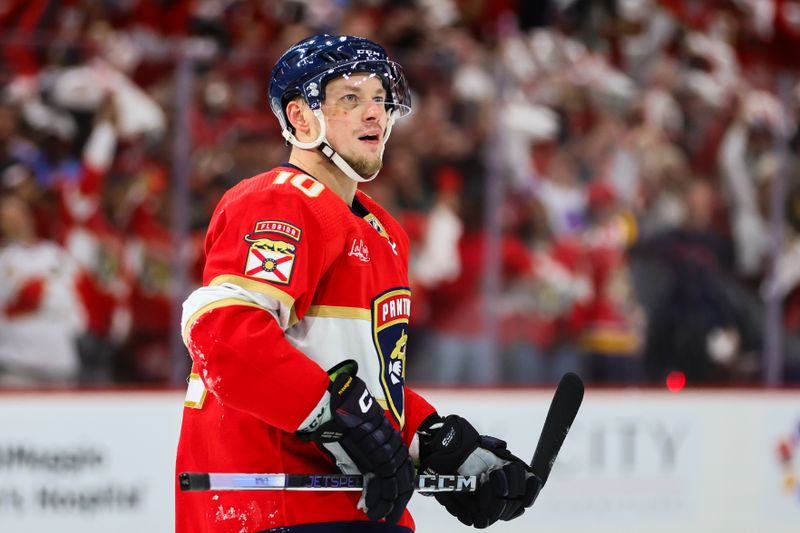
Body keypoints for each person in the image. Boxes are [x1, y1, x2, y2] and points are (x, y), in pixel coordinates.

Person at [175, 34, 541, 533]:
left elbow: (361, 384)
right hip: (274, 513)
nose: (375, 114)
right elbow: (224, 337)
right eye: (350, 98)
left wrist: (437, 442)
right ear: (301, 118)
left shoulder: (383, 230)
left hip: (356, 510)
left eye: (380, 99)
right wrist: (339, 416)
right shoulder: (280, 201)